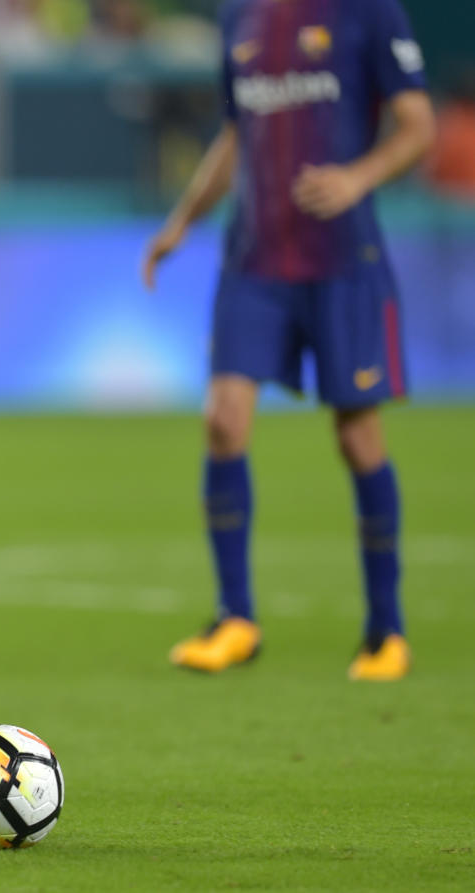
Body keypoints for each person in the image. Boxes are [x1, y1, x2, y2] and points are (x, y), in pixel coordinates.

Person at [141, 0, 435, 681]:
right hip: (256, 261)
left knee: (357, 436)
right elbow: (235, 135)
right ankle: (235, 616)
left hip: (344, 262)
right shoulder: (239, 16)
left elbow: (418, 126)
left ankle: (386, 629)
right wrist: (182, 220)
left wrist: (356, 177)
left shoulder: (367, 12)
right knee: (222, 419)